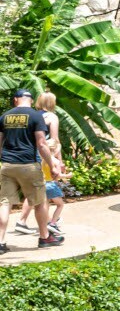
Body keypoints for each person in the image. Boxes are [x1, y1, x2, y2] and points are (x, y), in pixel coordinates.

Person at [0, 88, 65, 249]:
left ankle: (0, 242)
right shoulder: (36, 116)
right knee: (40, 201)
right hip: (28, 165)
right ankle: (44, 238)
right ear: (30, 100)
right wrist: (53, 166)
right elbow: (42, 144)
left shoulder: (5, 116)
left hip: (7, 165)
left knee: (5, 203)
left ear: (16, 99)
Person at [20, 94, 64, 237]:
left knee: (34, 189)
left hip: (28, 155)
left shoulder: (32, 115)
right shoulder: (51, 116)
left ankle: (22, 221)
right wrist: (58, 161)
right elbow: (54, 140)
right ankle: (47, 228)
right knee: (43, 190)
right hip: (43, 154)